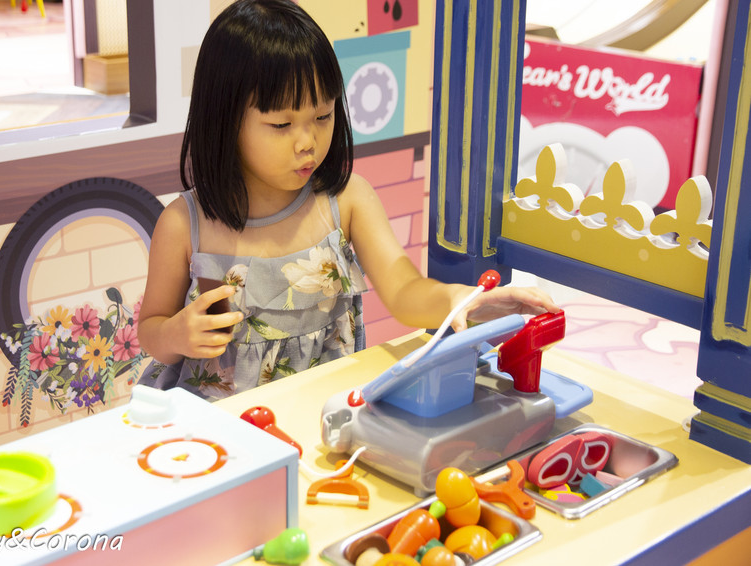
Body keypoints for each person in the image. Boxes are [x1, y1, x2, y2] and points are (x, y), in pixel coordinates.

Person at [136, 0, 559, 400]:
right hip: (218, 432)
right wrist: (176, 335)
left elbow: (403, 289)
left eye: (323, 115)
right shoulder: (184, 223)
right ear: (225, 120)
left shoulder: (346, 199)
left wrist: (457, 300)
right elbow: (151, 329)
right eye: (282, 123)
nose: (309, 141)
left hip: (320, 414)